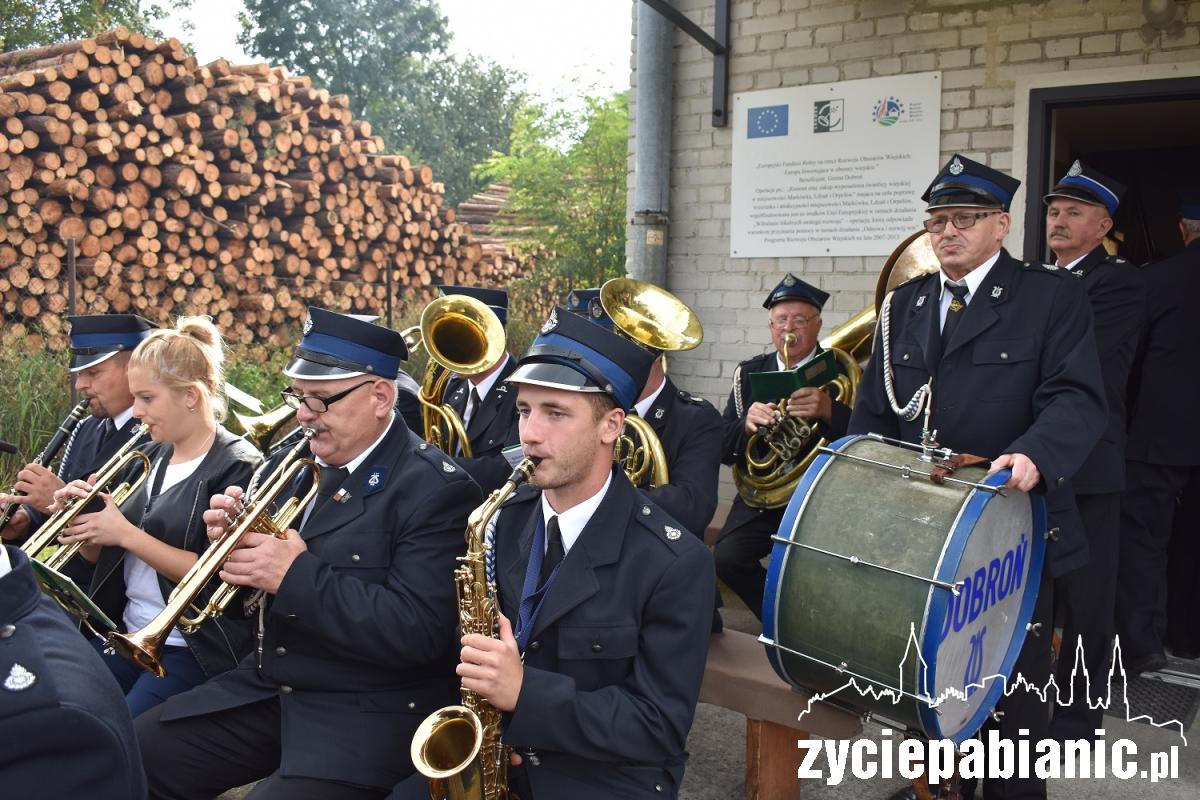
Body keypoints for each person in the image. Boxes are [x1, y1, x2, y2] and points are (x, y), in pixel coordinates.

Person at [135, 307, 481, 800]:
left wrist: (294, 573)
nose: (302, 415)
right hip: (275, 685)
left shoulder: (433, 490)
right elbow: (247, 609)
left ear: (380, 397)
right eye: (298, 398)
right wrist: (235, 551)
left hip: (365, 707)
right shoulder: (294, 463)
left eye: (320, 401)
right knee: (134, 752)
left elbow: (419, 633)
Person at [851, 154, 1106, 800]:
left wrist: (1035, 452)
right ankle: (936, 791)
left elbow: (1078, 398)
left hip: (1010, 537)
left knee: (1009, 706)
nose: (947, 232)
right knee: (926, 688)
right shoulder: (902, 306)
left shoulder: (1052, 298)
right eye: (937, 220)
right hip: (919, 536)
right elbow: (873, 415)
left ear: (1002, 224)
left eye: (965, 219)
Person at [396, 307, 715, 799]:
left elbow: (658, 725)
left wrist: (526, 697)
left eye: (556, 413)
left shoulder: (675, 562)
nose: (529, 433)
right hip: (500, 751)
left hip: (603, 777)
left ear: (611, 426)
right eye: (525, 410)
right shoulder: (504, 517)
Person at [53, 317, 262, 716]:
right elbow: (100, 560)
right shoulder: (146, 455)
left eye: (147, 398)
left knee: (121, 736)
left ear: (190, 396)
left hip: (190, 647)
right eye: (135, 398)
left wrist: (126, 533)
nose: (135, 412)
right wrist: (86, 527)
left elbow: (216, 577)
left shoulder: (238, 465)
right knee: (65, 714)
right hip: (124, 632)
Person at [1042, 161, 1145, 739]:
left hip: (1088, 466)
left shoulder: (1119, 283)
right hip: (1037, 461)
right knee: (1038, 596)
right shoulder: (1040, 279)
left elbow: (1068, 363)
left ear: (1103, 226)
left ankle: (1078, 720)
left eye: (1073, 213)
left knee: (1086, 599)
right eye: (1054, 212)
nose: (1058, 221)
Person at [714, 275, 851, 620]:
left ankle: (815, 630)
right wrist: (745, 424)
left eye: (800, 320)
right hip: (761, 497)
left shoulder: (840, 372)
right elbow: (721, 446)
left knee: (822, 569)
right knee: (726, 558)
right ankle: (783, 623)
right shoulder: (748, 374)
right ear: (771, 326)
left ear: (817, 325)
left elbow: (867, 438)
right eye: (781, 320)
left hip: (821, 495)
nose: (789, 328)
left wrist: (830, 410)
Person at [1117, 190, 1200, 673]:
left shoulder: (1158, 280)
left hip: (1161, 434)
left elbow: (1131, 361)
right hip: (1167, 434)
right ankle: (1190, 637)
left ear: (1184, 230)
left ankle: (1144, 642)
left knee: (1145, 537)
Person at [0, 542, 147, 799]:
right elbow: (91, 564)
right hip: (123, 635)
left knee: (151, 747)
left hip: (182, 647)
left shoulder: (47, 718)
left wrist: (125, 534)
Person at [581, 287, 723, 542]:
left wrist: (602, 498)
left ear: (654, 358)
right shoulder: (596, 408)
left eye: (618, 358)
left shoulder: (697, 418)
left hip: (659, 556)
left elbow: (693, 507)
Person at [1, 314, 156, 545]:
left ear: (135, 368)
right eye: (79, 374)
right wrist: (23, 520)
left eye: (93, 373)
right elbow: (51, 518)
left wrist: (62, 502)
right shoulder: (86, 428)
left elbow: (139, 526)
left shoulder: (158, 433)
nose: (80, 384)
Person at [439, 285, 521, 493]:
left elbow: (508, 469)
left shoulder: (521, 390)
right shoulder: (452, 386)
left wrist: (437, 466)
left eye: (463, 339)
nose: (450, 350)